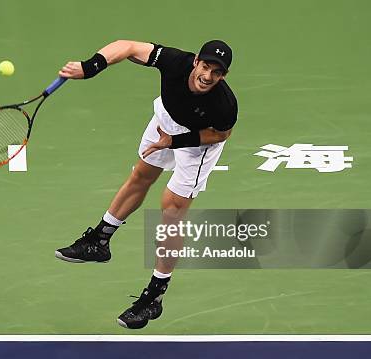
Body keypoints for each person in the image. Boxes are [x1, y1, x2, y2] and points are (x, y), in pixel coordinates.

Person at [55, 39, 238, 329]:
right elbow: (127, 46)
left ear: (223, 76)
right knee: (141, 175)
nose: (208, 76)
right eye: (206, 67)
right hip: (166, 119)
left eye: (217, 73)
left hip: (197, 141)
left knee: (171, 211)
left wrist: (175, 142)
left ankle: (154, 296)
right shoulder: (175, 61)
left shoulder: (224, 104)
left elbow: (220, 135)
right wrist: (90, 68)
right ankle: (99, 241)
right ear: (196, 62)